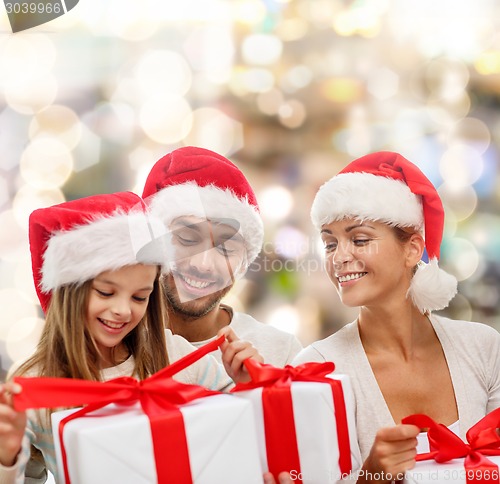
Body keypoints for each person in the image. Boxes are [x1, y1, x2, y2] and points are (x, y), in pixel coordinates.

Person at [0, 191, 260, 483]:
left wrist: (248, 387)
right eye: (105, 293)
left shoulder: (177, 356)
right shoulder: (37, 386)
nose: (123, 310)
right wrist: (7, 457)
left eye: (139, 297)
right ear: (69, 291)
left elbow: (241, 437)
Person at [293, 151, 500, 482]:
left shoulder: (484, 348)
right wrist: (371, 477)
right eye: (330, 244)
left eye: (359, 239)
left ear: (412, 249)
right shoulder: (317, 370)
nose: (340, 257)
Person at [142, 146, 302, 367]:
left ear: (244, 261)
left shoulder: (280, 354)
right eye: (187, 239)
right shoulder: (106, 344)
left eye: (226, 248)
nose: (203, 264)